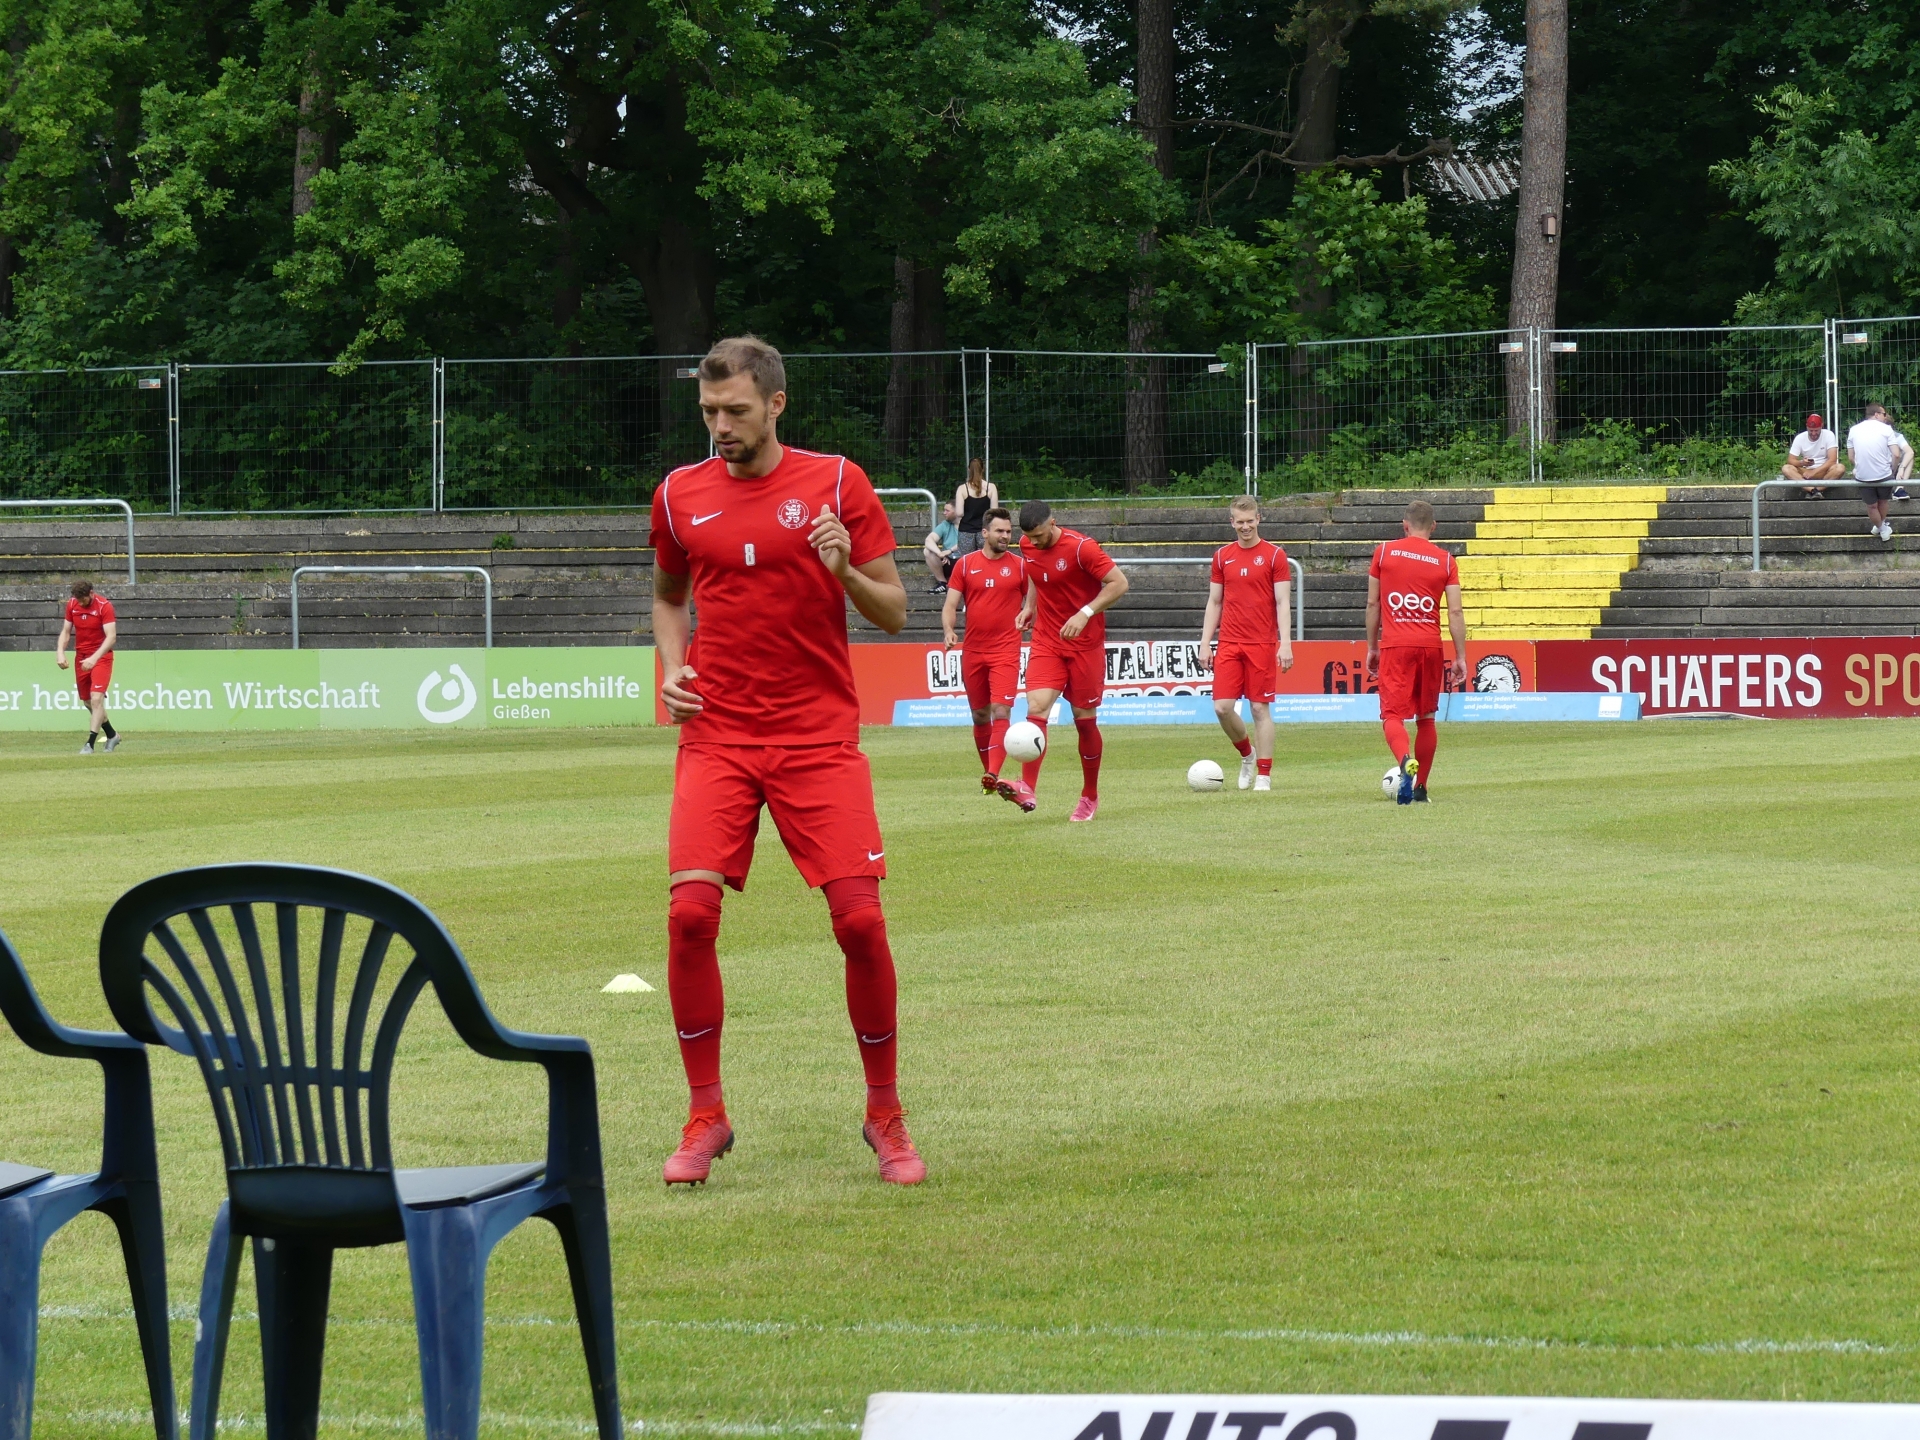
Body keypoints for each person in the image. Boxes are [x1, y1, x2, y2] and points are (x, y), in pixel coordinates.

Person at [650, 335, 926, 1187]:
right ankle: (705, 1116)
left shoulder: (838, 484)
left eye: (735, 410)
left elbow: (895, 613)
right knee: (689, 916)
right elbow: (668, 598)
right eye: (709, 412)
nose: (720, 427)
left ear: (775, 403)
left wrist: (843, 570)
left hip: (816, 738)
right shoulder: (678, 495)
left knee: (861, 922)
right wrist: (672, 670)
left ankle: (885, 1115)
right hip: (719, 736)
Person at [1015, 500, 1128, 822]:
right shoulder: (1027, 544)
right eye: (1030, 537)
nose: (1034, 542)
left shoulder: (1082, 548)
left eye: (1039, 535)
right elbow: (1036, 573)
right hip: (1047, 639)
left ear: (1053, 523)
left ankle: (1089, 795)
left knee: (1084, 718)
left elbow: (1119, 583)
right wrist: (1030, 606)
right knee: (1036, 708)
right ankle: (1027, 787)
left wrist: (1085, 613)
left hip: (1085, 645)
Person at [1365, 499, 1466, 805]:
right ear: (1433, 527)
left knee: (1392, 715)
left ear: (1404, 525)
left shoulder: (1384, 552)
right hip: (1430, 646)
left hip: (1396, 644)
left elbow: (1373, 603)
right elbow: (1456, 612)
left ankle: (1404, 759)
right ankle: (1420, 787)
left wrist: (1372, 646)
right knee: (1427, 718)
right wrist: (1460, 656)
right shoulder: (1446, 561)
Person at [1198, 497, 1294, 792]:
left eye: (1250, 520)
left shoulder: (1275, 556)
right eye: (1239, 522)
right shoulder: (1222, 556)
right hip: (1229, 642)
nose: (1245, 526)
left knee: (1259, 709)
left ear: (1258, 519)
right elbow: (1215, 602)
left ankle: (1264, 774)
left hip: (1261, 643)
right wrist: (1205, 643)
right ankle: (1247, 754)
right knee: (1222, 708)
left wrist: (1285, 643)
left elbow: (1282, 602)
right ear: (1232, 522)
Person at [942, 507, 1033, 808]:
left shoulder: (1020, 567)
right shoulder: (966, 565)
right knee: (980, 715)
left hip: (1006, 650)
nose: (1006, 536)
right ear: (984, 533)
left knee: (1001, 710)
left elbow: (1034, 598)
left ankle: (993, 772)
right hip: (973, 651)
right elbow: (951, 604)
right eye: (1000, 531)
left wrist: (1028, 612)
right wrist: (949, 631)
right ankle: (989, 775)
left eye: (1009, 531)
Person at [55, 580, 119, 754]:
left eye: (83, 599)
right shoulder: (72, 604)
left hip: (101, 656)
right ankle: (112, 735)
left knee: (97, 698)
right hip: (81, 657)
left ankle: (90, 743)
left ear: (91, 593)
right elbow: (66, 631)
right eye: (78, 600)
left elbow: (111, 637)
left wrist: (94, 658)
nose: (81, 603)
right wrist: (60, 652)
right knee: (88, 701)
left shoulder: (104, 606)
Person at [1846, 402, 1899, 542]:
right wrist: (1892, 469)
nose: (1885, 417)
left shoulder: (1853, 430)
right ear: (1876, 414)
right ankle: (1882, 528)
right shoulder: (1886, 429)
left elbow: (1851, 457)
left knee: (1871, 506)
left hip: (1863, 476)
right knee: (1883, 502)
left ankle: (1880, 527)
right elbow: (1896, 454)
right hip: (1884, 474)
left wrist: (1860, 466)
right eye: (1884, 414)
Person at [1782, 413, 1843, 499]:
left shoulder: (1829, 435)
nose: (1813, 433)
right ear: (1807, 427)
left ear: (1821, 426)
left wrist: (1813, 472)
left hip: (1824, 471)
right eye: (1811, 431)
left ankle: (1815, 490)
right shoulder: (1800, 438)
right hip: (1806, 472)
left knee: (1840, 468)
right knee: (1786, 468)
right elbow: (1790, 460)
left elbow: (1832, 460)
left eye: (1816, 430)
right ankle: (1813, 490)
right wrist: (1802, 462)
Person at [953, 459, 999, 557]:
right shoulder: (991, 487)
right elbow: (994, 512)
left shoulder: (962, 489)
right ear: (983, 469)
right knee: (985, 559)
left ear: (968, 469)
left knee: (967, 560)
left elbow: (959, 513)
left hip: (966, 531)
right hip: (984, 530)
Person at [922, 503, 960, 592]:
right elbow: (929, 540)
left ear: (957, 511)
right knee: (927, 551)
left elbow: (966, 542)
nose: (944, 513)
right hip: (948, 561)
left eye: (947, 510)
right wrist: (940, 553)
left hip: (965, 561)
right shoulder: (945, 525)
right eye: (944, 510)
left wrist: (949, 551)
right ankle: (942, 583)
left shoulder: (969, 525)